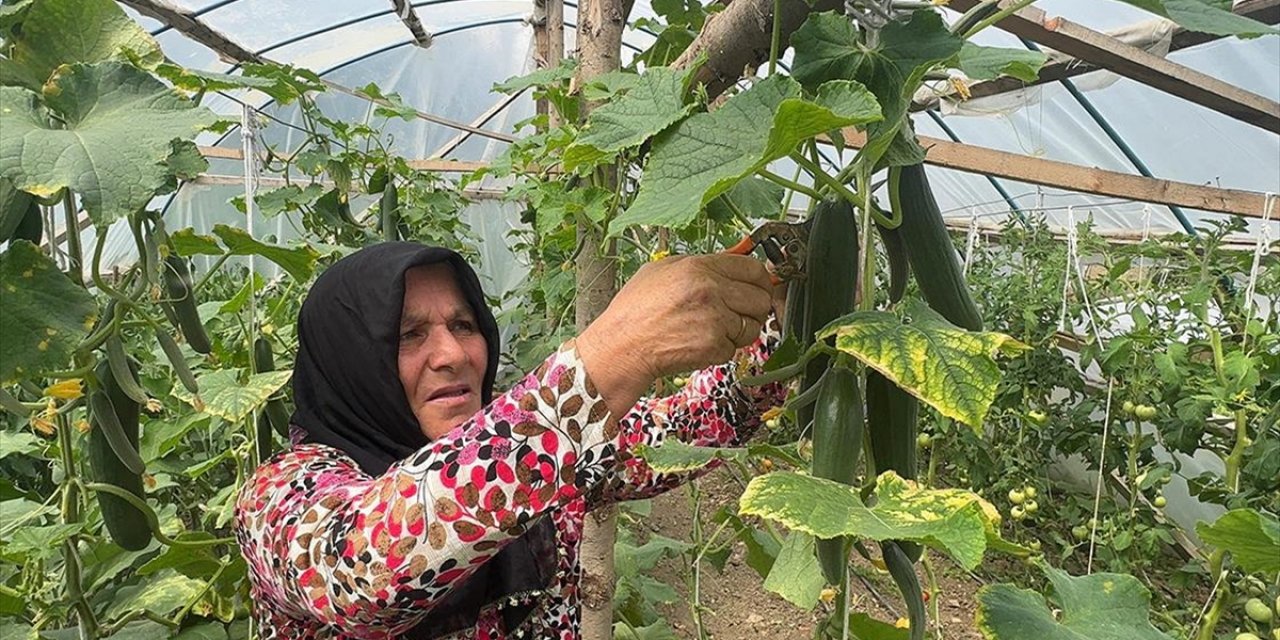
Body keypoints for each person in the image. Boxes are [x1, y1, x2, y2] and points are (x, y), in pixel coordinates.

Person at [234, 242, 787, 639]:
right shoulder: (281, 495)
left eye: (464, 325)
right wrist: (616, 353)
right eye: (408, 334)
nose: (452, 354)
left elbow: (694, 424)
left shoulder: (540, 457)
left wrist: (785, 319)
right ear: (349, 360)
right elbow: (361, 573)